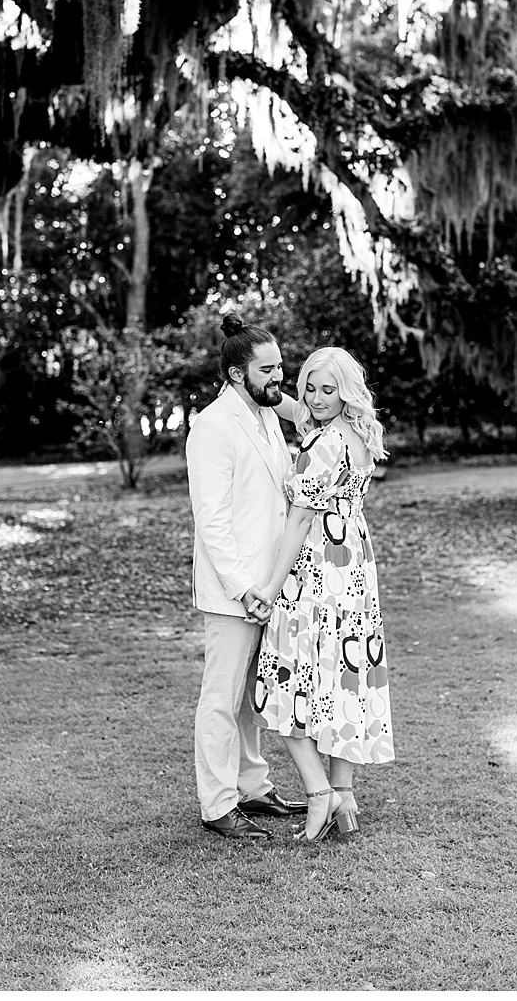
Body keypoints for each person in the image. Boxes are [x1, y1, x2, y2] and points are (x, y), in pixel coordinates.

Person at [251, 346, 395, 841]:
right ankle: (345, 796)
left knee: (287, 681)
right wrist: (287, 400)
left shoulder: (321, 446)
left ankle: (319, 793)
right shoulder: (356, 434)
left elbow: (300, 519)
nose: (313, 397)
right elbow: (305, 412)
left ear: (346, 392)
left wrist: (270, 587)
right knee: (339, 679)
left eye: (327, 389)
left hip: (315, 572)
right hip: (352, 569)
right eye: (308, 386)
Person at [184, 311, 308, 840]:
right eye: (268, 369)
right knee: (221, 697)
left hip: (271, 583)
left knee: (252, 698)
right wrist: (245, 589)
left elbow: (304, 424)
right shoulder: (212, 427)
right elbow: (211, 521)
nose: (279, 376)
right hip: (235, 589)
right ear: (237, 374)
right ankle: (217, 805)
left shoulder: (264, 415)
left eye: (281, 365)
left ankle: (254, 787)